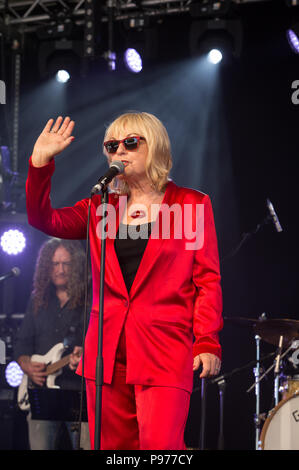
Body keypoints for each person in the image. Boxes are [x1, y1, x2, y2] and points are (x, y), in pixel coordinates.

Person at [25, 112, 223, 450]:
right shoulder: (103, 206)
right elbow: (44, 219)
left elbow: (206, 279)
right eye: (112, 146)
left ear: (155, 146)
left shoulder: (190, 204)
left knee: (160, 448)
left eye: (131, 143)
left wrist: (207, 340)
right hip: (106, 351)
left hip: (164, 351)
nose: (120, 151)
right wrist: (40, 164)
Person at [14, 237, 90, 450]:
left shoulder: (90, 299)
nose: (60, 270)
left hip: (78, 395)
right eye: (55, 264)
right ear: (46, 267)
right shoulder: (37, 299)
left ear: (76, 266)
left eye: (66, 264)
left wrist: (84, 357)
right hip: (40, 396)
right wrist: (27, 364)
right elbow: (21, 345)